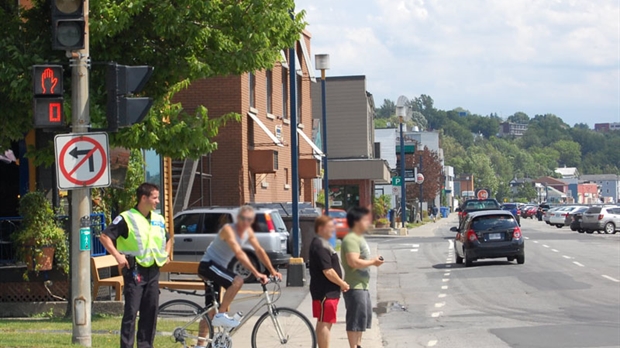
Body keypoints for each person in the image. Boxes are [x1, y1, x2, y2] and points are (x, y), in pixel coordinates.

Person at [195, 205, 282, 348]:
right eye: (244, 219)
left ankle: (200, 345)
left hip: (217, 268)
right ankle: (221, 315)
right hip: (208, 266)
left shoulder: (247, 232)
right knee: (237, 281)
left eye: (249, 220)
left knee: (210, 309)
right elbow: (239, 254)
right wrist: (257, 273)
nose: (246, 222)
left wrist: (272, 270)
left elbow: (259, 250)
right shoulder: (228, 230)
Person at [99, 183, 171, 348]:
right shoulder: (127, 218)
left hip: (153, 271)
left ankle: (145, 345)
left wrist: (166, 254)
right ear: (143, 198)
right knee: (131, 312)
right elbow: (104, 236)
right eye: (154, 198)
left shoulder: (158, 219)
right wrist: (117, 256)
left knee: (150, 311)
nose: (157, 201)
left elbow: (169, 238)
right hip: (134, 270)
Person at [341, 206, 384, 348]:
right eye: (365, 219)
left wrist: (373, 260)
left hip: (362, 286)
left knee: (361, 320)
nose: (368, 222)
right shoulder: (351, 239)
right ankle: (353, 346)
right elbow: (352, 262)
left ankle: (358, 345)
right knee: (354, 320)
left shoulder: (358, 238)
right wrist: (373, 262)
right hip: (354, 287)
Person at [309, 215, 349, 348]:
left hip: (328, 291)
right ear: (320, 228)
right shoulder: (319, 245)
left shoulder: (323, 243)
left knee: (324, 322)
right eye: (330, 227)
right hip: (325, 291)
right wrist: (342, 283)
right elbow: (328, 271)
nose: (333, 230)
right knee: (325, 323)